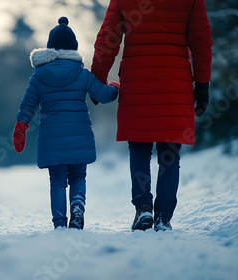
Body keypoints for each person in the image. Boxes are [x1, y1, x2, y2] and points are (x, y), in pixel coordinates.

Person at [91, 0, 213, 231]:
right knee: (170, 151)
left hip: (138, 81)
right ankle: (163, 217)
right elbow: (201, 41)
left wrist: (97, 79)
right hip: (175, 82)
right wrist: (203, 84)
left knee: (139, 147)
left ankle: (143, 208)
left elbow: (108, 38)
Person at [12, 17, 119, 229]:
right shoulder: (82, 74)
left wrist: (20, 128)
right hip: (79, 133)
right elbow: (104, 95)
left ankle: (60, 222)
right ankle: (78, 206)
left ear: (50, 47)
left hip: (52, 137)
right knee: (78, 175)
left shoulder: (39, 76)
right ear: (74, 48)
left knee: (57, 180)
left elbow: (27, 106)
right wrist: (115, 86)